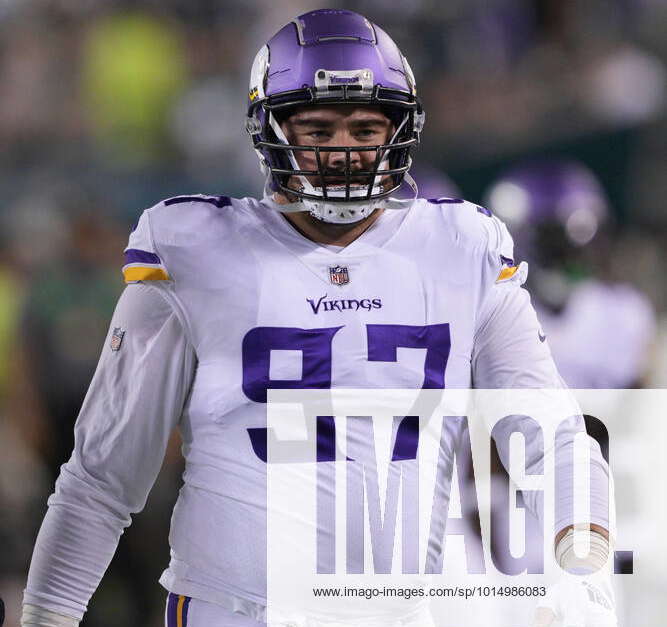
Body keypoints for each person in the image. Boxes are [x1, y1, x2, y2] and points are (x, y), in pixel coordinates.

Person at [22, 10, 613, 627]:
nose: (345, 151)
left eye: (365, 128)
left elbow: (554, 440)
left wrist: (585, 574)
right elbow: (101, 476)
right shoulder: (194, 248)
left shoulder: (462, 249)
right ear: (270, 130)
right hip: (235, 611)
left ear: (400, 131)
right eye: (318, 127)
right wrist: (47, 616)